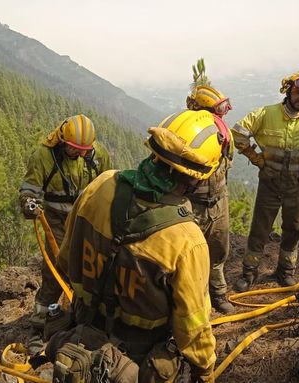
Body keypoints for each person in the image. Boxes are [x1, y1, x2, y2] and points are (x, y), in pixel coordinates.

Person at [47, 109, 225, 383]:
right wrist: (206, 372)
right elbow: (192, 328)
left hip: (83, 333)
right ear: (198, 177)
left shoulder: (99, 186)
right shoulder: (187, 240)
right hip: (138, 360)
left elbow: (65, 260)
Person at [231, 70, 299, 291]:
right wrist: (255, 158)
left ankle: (285, 271)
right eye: (298, 93)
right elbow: (238, 133)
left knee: (295, 227)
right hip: (270, 182)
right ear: (288, 91)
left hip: (296, 184)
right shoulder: (267, 114)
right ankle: (249, 274)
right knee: (260, 229)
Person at [19, 114, 112, 324]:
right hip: (57, 221)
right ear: (62, 141)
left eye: (83, 150)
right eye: (74, 148)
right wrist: (28, 203)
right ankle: (43, 314)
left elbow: (107, 184)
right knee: (56, 265)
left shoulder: (97, 154)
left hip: (88, 218)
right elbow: (29, 189)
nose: (79, 153)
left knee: (92, 265)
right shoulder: (43, 157)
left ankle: (88, 312)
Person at [186, 81, 236, 314]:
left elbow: (228, 163)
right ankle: (193, 302)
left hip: (218, 201)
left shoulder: (224, 133)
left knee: (218, 251)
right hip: (191, 204)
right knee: (189, 256)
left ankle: (218, 294)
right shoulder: (185, 133)